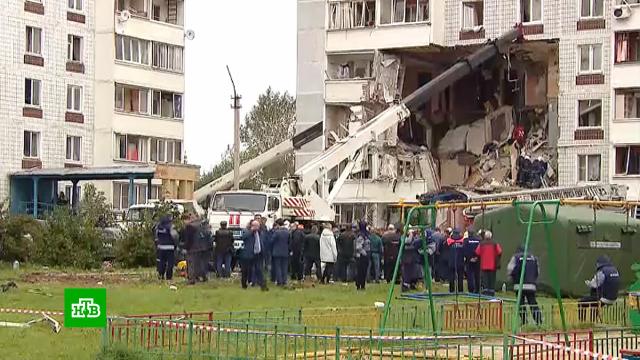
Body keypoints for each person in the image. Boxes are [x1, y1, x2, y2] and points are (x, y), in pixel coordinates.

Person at [579, 255, 620, 322]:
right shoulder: (615, 270)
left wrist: (588, 283)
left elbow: (594, 284)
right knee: (594, 302)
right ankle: (593, 321)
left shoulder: (602, 271)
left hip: (604, 298)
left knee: (582, 302)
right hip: (614, 298)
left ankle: (582, 322)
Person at [507, 246, 541, 325]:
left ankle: (524, 321)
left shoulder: (516, 257)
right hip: (531, 285)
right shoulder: (533, 258)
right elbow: (537, 271)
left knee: (521, 303)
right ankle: (538, 320)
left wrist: (511, 279)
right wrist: (533, 280)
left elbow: (510, 269)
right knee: (533, 302)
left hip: (519, 285)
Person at [240, 220, 268, 291]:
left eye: (258, 226)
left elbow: (263, 242)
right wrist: (251, 231)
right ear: (252, 226)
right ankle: (244, 285)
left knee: (259, 270)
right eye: (255, 226)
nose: (256, 227)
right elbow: (243, 237)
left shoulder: (261, 233)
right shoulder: (247, 231)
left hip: (258, 254)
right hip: (248, 254)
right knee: (245, 270)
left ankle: (263, 286)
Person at [475, 230, 502, 296]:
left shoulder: (481, 244)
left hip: (483, 265)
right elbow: (500, 251)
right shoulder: (495, 243)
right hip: (492, 265)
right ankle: (492, 292)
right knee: (492, 279)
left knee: (485, 279)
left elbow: (477, 252)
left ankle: (486, 292)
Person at [182, 214, 208, 284]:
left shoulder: (190, 226)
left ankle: (191, 279)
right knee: (199, 263)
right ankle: (203, 276)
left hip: (192, 248)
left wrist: (186, 247)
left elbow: (189, 239)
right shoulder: (201, 225)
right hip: (202, 247)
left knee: (191, 264)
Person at [155, 215, 178, 281]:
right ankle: (169, 277)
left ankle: (161, 275)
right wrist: (176, 244)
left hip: (161, 247)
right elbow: (175, 236)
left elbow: (156, 237)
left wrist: (157, 244)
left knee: (162, 263)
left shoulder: (158, 227)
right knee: (170, 263)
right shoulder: (170, 227)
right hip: (170, 247)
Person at [271, 219, 291, 286]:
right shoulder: (288, 232)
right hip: (285, 252)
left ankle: (279, 281)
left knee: (278, 267)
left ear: (278, 224)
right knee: (284, 267)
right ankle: (284, 281)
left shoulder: (277, 232)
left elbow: (272, 241)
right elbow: (289, 242)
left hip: (277, 252)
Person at [446, 228, 465, 293]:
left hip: (451, 261)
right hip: (460, 261)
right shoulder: (463, 241)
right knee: (460, 277)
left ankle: (451, 290)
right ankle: (460, 290)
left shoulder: (449, 240)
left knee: (451, 277)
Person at [463, 228, 481, 294]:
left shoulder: (466, 240)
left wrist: (469, 257)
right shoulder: (479, 240)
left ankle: (471, 289)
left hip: (469, 260)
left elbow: (464, 250)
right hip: (477, 259)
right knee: (477, 274)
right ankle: (477, 289)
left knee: (470, 275)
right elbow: (480, 249)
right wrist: (477, 257)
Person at [354, 221, 371, 290]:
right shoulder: (361, 236)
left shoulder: (366, 235)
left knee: (364, 271)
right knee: (360, 271)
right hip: (361, 256)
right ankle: (359, 285)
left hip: (364, 255)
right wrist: (365, 253)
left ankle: (363, 284)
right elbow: (358, 247)